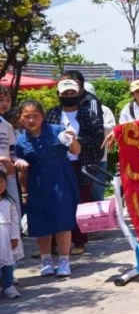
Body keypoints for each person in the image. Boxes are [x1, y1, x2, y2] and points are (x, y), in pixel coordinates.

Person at [13, 100, 80, 277]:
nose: (31, 120)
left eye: (35, 115)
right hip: (37, 185)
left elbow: (75, 151)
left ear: (42, 116)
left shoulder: (57, 131)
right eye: (27, 116)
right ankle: (46, 261)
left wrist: (73, 139)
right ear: (20, 119)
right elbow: (22, 171)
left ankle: (64, 261)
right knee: (41, 223)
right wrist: (24, 191)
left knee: (63, 221)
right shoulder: (21, 141)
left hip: (61, 181)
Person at [46, 74, 105, 252]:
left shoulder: (88, 114)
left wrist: (77, 141)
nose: (69, 96)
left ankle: (80, 241)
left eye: (72, 92)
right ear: (59, 94)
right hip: (59, 164)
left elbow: (98, 138)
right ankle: (54, 242)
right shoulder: (52, 114)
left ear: (79, 93)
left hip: (82, 163)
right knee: (58, 201)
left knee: (81, 201)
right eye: (65, 93)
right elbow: (46, 137)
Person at [0, 171, 23, 298]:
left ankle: (8, 286)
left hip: (5, 238)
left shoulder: (9, 203)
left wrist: (14, 237)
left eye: (1, 182)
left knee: (8, 263)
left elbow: (14, 222)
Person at [0, 86, 21, 219]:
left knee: (13, 206)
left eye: (8, 100)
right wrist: (2, 159)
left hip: (7, 173)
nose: (5, 103)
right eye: (1, 100)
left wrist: (16, 162)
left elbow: (12, 150)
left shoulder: (7, 126)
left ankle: (15, 231)